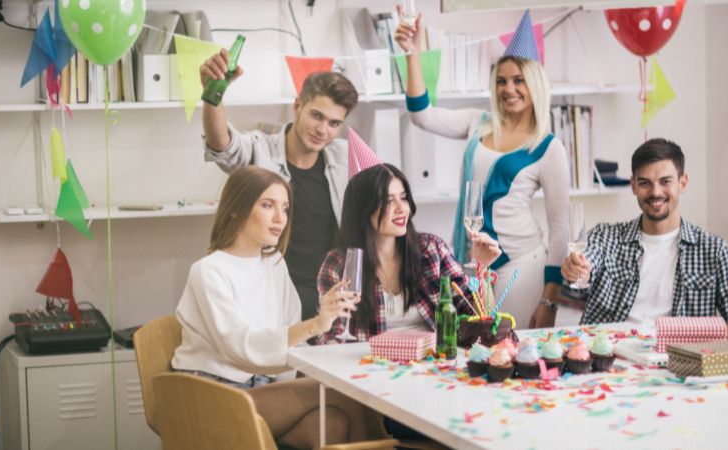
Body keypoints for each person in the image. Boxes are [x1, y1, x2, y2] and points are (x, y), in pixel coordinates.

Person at [172, 166, 383, 448]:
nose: (279, 218)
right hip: (211, 396)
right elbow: (240, 347)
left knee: (333, 424)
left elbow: (289, 338)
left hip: (264, 391)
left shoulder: (274, 264)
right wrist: (317, 324)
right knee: (343, 393)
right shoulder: (208, 271)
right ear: (236, 208)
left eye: (284, 208)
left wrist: (324, 353)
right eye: (267, 205)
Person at [394, 12, 570, 329]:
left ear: (535, 85)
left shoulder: (548, 147)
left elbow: (560, 229)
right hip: (471, 260)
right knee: (472, 349)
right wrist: (412, 53)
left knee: (503, 344)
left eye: (519, 80)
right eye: (501, 81)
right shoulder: (478, 122)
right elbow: (421, 115)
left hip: (519, 263)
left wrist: (550, 301)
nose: (509, 89)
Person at [199, 51, 359, 321]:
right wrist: (213, 94)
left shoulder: (344, 156)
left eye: (334, 123)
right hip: (269, 296)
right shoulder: (259, 149)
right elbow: (222, 146)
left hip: (328, 297)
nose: (323, 130)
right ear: (298, 106)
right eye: (316, 116)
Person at [559, 139, 728, 344]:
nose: (655, 192)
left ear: (683, 183)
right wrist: (579, 270)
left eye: (665, 181)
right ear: (633, 186)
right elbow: (586, 265)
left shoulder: (714, 250)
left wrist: (682, 339)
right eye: (645, 183)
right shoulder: (605, 237)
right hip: (607, 361)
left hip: (677, 365)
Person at [317, 163, 501, 342]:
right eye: (387, 200)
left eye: (403, 197)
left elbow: (475, 316)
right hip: (369, 366)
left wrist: (481, 269)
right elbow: (332, 336)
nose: (401, 208)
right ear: (363, 209)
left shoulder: (431, 250)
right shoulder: (339, 263)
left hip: (433, 361)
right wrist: (325, 321)